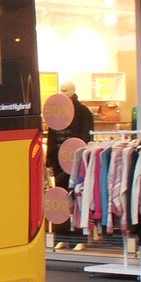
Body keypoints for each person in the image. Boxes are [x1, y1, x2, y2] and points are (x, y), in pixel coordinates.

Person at [46, 81, 93, 244]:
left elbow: (86, 137)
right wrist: (49, 163)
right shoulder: (55, 112)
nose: (63, 92)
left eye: (65, 90)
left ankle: (80, 238)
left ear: (73, 91)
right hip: (59, 164)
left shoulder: (83, 112)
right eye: (61, 90)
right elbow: (52, 138)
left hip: (76, 161)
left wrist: (80, 157)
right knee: (60, 198)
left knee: (78, 197)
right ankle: (62, 236)